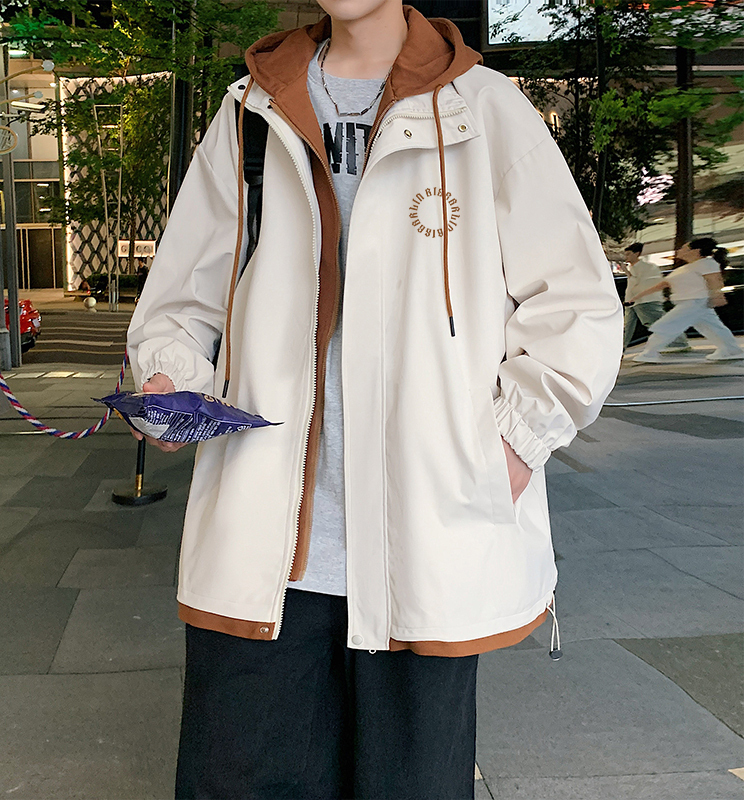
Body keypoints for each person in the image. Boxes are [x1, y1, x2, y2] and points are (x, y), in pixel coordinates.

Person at [127, 2, 622, 797]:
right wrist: (170, 378)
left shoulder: (484, 107)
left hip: (425, 545)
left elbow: (577, 306)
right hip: (265, 549)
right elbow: (184, 296)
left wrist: (509, 447)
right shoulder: (250, 109)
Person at [631, 237, 744, 363]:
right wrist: (637, 296)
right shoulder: (687, 268)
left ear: (696, 251)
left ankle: (649, 353)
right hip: (692, 303)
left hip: (694, 302)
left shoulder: (707, 263)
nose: (680, 250)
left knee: (666, 325)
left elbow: (714, 280)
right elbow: (663, 284)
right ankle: (731, 350)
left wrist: (717, 296)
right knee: (712, 328)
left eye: (684, 248)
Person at [621, 242, 690, 352]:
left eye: (628, 254)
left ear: (637, 254)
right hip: (633, 301)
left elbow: (639, 284)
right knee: (627, 326)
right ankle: (620, 347)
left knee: (658, 322)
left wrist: (627, 272)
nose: (626, 257)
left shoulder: (646, 267)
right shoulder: (636, 267)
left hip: (645, 300)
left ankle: (680, 343)